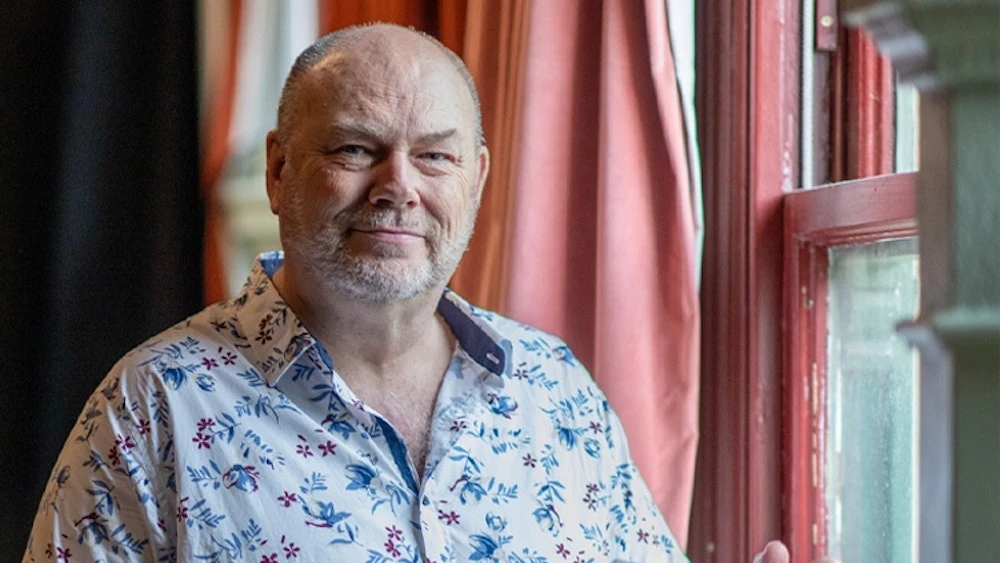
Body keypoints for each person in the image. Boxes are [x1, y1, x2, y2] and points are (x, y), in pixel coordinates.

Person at [24, 23, 801, 563]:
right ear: (278, 169)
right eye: (357, 148)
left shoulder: (557, 393)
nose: (398, 186)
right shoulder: (153, 408)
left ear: (478, 180)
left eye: (435, 156)